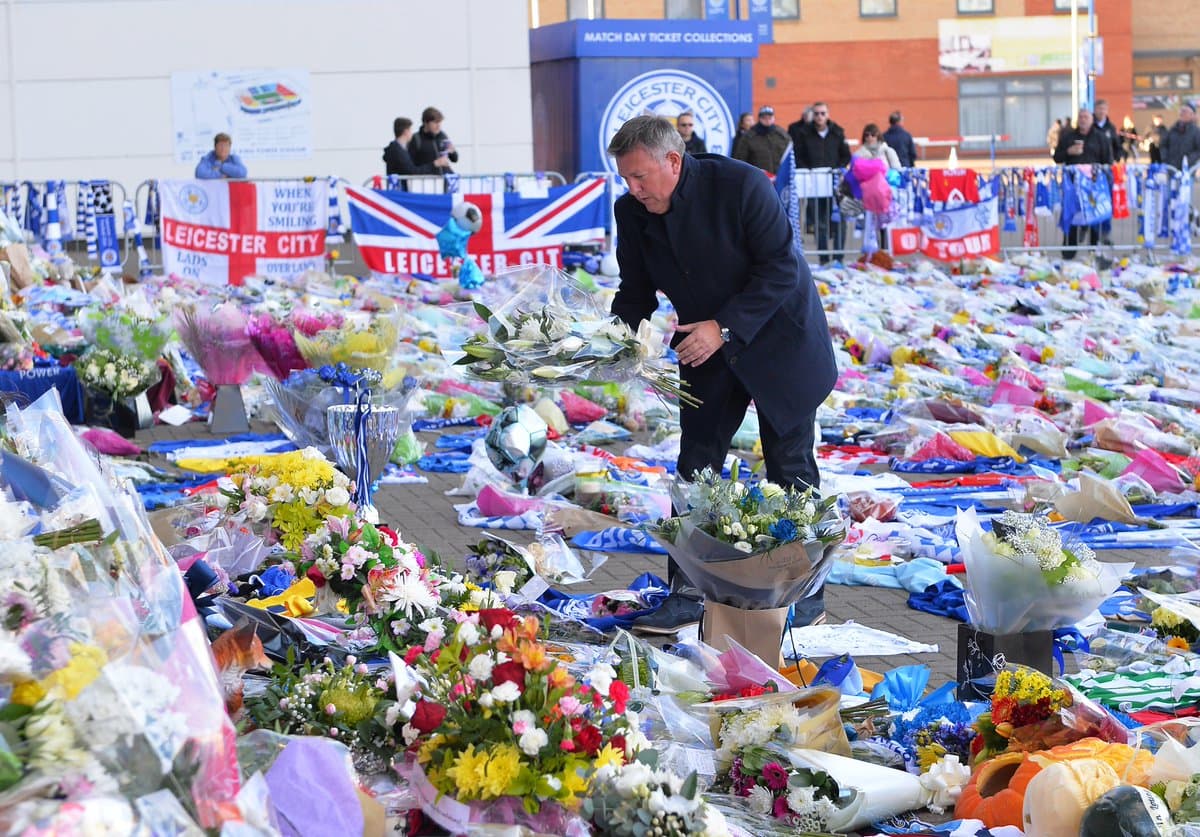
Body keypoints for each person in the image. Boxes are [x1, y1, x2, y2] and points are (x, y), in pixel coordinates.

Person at [606, 115, 837, 633]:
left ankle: (805, 593)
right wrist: (607, 342)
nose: (633, 189)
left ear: (673, 160)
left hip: (780, 339)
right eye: (625, 178)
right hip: (704, 348)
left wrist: (724, 326)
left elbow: (781, 266)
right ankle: (687, 593)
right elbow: (635, 291)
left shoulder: (741, 185)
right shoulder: (632, 212)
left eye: (641, 176)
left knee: (790, 465)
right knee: (696, 465)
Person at [791, 101, 852, 264]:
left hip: (836, 185)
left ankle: (839, 258)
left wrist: (838, 169)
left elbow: (846, 155)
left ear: (828, 114)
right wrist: (809, 171)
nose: (819, 116)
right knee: (820, 223)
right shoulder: (803, 133)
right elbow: (798, 156)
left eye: (823, 113)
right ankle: (824, 259)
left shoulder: (837, 132)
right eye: (816, 113)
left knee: (840, 221)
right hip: (815, 185)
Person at [1053, 108, 1112, 259]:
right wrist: (1068, 152)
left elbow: (1108, 160)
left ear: (1091, 119)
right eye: (1080, 117)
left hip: (1093, 187)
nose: (1083, 120)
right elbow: (1057, 157)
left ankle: (1094, 254)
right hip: (1073, 186)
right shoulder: (1068, 137)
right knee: (1072, 219)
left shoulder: (1100, 137)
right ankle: (1068, 254)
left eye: (1086, 117)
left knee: (1094, 221)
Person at [383, 117, 449, 186]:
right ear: (406, 131)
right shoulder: (397, 151)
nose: (411, 134)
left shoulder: (398, 148)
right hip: (399, 190)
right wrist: (434, 164)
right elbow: (412, 171)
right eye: (410, 130)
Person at [1092, 99, 1122, 245]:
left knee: (1105, 201)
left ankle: (1105, 232)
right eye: (1099, 109)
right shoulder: (1090, 126)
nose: (1101, 112)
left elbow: (1118, 147)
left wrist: (1116, 159)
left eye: (1104, 109)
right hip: (1091, 170)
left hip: (1106, 170)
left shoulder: (1111, 128)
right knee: (1091, 201)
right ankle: (1092, 232)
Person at [731, 106, 790, 174]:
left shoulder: (782, 135)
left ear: (774, 118)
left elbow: (789, 155)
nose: (767, 120)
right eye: (764, 118)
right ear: (759, 118)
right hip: (757, 177)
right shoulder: (749, 136)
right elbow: (740, 158)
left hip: (779, 177)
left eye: (770, 117)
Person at [409, 107, 458, 172]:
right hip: (427, 180)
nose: (438, 126)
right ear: (426, 123)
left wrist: (452, 151)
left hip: (445, 179)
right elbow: (412, 168)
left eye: (440, 122)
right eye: (435, 122)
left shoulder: (442, 135)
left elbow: (455, 159)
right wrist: (434, 164)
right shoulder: (416, 139)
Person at [1160, 102, 1200, 171]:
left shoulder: (1196, 131)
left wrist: (1188, 161)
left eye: (1185, 111)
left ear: (1191, 115)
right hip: (1172, 168)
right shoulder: (1172, 129)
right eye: (1181, 110)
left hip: (1188, 170)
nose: (1182, 113)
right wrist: (1165, 159)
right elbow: (1163, 145)